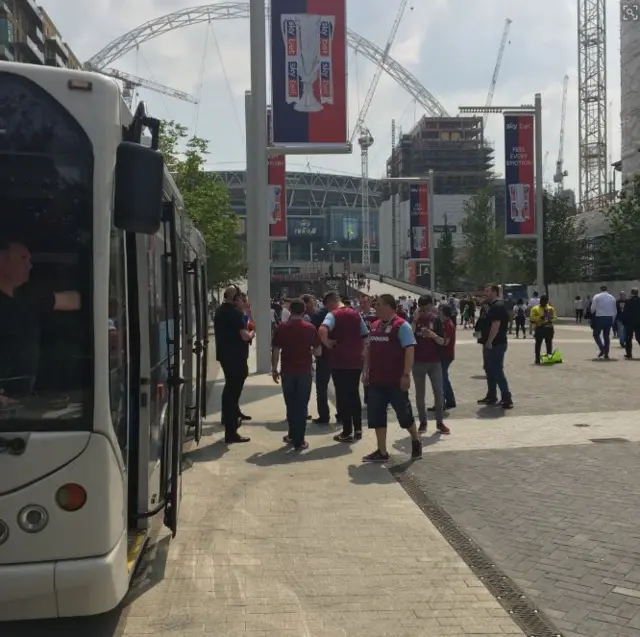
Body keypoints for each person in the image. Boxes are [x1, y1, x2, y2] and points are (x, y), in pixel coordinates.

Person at [0, 240, 81, 401]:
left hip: (24, 402)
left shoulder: (29, 296)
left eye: (29, 260)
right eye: (23, 259)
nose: (29, 265)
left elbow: (70, 300)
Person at [362, 294, 422, 462]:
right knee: (376, 416)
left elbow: (410, 350)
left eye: (379, 305)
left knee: (404, 416)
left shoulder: (402, 326)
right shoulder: (374, 326)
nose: (376, 308)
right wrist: (365, 371)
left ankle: (415, 439)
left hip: (396, 380)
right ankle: (381, 451)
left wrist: (406, 374)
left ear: (389, 306)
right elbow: (368, 350)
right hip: (376, 380)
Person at [271, 298, 320, 451]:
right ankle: (300, 440)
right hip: (304, 371)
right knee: (301, 405)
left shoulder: (282, 327)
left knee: (291, 405)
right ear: (304, 311)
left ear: (290, 310)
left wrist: (274, 369)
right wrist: (308, 352)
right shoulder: (310, 328)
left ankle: (292, 435)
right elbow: (318, 351)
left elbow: (276, 350)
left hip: (287, 371)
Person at [319, 292, 368, 442]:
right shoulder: (356, 314)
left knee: (342, 396)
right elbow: (366, 335)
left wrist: (327, 342)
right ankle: (358, 429)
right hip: (355, 361)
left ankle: (347, 431)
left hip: (339, 361)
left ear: (330, 303)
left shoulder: (333, 315)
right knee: (354, 394)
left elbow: (322, 329)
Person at [213, 286, 254, 443]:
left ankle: (230, 418)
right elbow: (245, 335)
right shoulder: (235, 313)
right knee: (232, 393)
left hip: (225, 356)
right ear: (236, 298)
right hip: (235, 357)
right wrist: (252, 333)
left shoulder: (221, 310)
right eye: (241, 297)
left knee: (229, 391)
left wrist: (246, 313)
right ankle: (231, 432)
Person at [411, 295, 449, 434]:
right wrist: (415, 320)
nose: (425, 311)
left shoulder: (436, 320)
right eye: (422, 309)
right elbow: (409, 336)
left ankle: (440, 422)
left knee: (438, 392)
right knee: (420, 394)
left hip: (434, 362)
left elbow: (442, 341)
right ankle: (423, 422)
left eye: (427, 308)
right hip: (418, 362)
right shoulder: (414, 320)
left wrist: (432, 335)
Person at [478, 284, 513, 409]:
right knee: (489, 369)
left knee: (497, 370)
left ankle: (506, 397)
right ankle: (491, 395)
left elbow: (496, 325)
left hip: (496, 344)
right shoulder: (491, 306)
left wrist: (489, 342)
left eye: (487, 291)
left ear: (494, 292)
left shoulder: (498, 306)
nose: (485, 293)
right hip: (491, 343)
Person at [590, 285, 617, 359]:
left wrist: (591, 317)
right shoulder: (612, 297)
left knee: (596, 334)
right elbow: (615, 311)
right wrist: (613, 320)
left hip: (600, 317)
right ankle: (606, 353)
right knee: (606, 336)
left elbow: (592, 309)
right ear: (607, 289)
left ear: (600, 289)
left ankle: (602, 348)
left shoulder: (597, 296)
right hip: (609, 318)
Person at [530, 294, 557, 364]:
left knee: (549, 343)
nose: (544, 302)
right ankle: (537, 359)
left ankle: (549, 358)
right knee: (538, 344)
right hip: (539, 328)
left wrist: (551, 319)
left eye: (545, 301)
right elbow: (532, 318)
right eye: (542, 301)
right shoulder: (535, 308)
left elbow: (555, 317)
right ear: (540, 301)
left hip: (549, 328)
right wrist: (540, 318)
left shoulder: (550, 308)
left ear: (547, 301)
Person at [439, 305, 456, 410]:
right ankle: (449, 400)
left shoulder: (447, 324)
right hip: (444, 354)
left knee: (443, 379)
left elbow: (446, 342)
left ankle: (447, 401)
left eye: (439, 311)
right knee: (443, 378)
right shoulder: (445, 323)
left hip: (446, 355)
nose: (438, 313)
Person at [623, 288, 640, 359]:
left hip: (629, 323)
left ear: (631, 293)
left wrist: (624, 321)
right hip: (639, 322)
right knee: (639, 337)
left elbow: (625, 312)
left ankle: (629, 354)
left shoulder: (628, 301)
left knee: (628, 338)